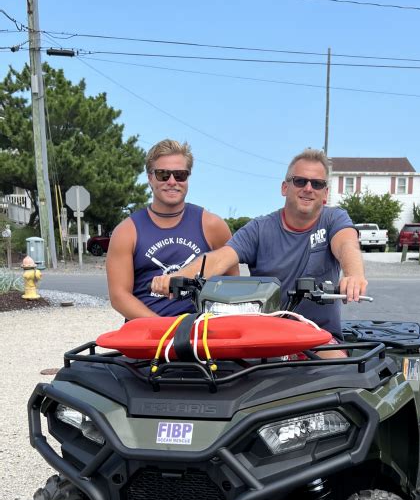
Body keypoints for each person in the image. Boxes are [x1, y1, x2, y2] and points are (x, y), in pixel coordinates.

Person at [150, 147, 368, 357]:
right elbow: (221, 258)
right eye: (300, 181)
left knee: (340, 373)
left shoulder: (333, 219)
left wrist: (353, 275)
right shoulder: (260, 228)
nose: (308, 188)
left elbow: (346, 244)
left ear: (325, 193)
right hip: (266, 338)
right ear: (285, 187)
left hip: (317, 335)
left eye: (317, 184)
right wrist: (179, 277)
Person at [106, 138, 238, 319]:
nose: (172, 181)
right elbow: (119, 296)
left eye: (180, 175)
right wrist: (163, 329)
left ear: (187, 178)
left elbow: (232, 287)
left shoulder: (213, 226)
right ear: (150, 178)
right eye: (163, 174)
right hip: (148, 334)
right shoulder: (127, 232)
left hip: (202, 332)